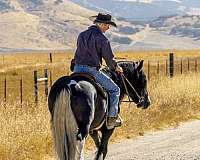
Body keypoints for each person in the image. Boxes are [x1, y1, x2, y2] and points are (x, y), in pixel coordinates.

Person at [72, 12, 123, 129]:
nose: (108, 27)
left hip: (77, 69)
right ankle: (111, 118)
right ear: (101, 24)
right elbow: (109, 59)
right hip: (91, 71)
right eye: (107, 25)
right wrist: (116, 67)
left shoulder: (81, 35)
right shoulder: (103, 39)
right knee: (115, 90)